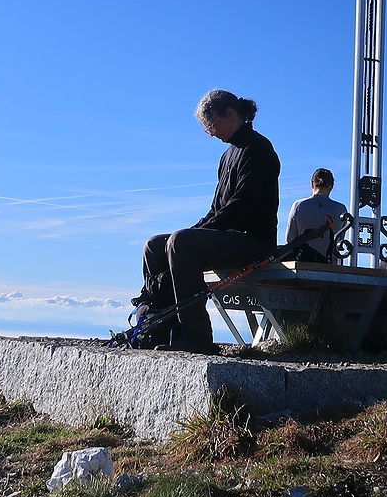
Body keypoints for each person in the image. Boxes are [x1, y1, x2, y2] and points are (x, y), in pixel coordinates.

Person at [133, 89, 281, 353]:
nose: (210, 133)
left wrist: (188, 236)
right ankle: (160, 330)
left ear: (231, 114)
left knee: (181, 242)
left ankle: (196, 337)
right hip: (229, 237)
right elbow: (217, 209)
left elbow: (241, 208)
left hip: (254, 241)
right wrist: (191, 232)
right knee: (155, 245)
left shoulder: (258, 149)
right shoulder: (227, 156)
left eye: (210, 125)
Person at [286, 167, 345, 262]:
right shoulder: (341, 209)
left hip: (303, 263)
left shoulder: (299, 205)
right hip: (330, 266)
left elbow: (290, 239)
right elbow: (340, 241)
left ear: (312, 184)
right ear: (331, 186)